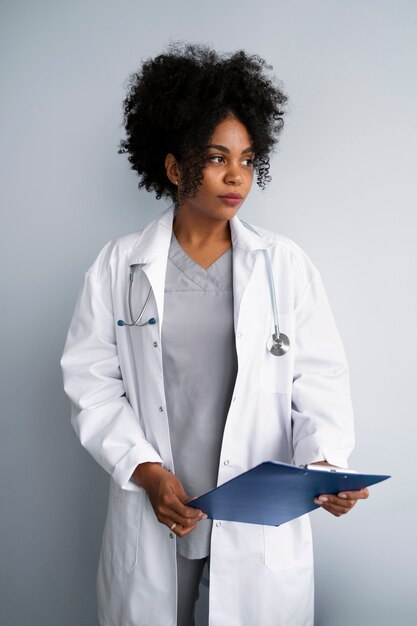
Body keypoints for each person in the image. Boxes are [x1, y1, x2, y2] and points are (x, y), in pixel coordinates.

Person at [61, 42, 368, 626]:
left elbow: (320, 380)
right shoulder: (119, 265)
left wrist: (328, 468)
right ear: (176, 167)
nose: (236, 177)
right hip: (162, 509)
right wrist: (146, 473)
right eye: (216, 157)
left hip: (254, 519)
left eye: (248, 160)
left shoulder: (284, 266)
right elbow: (91, 384)